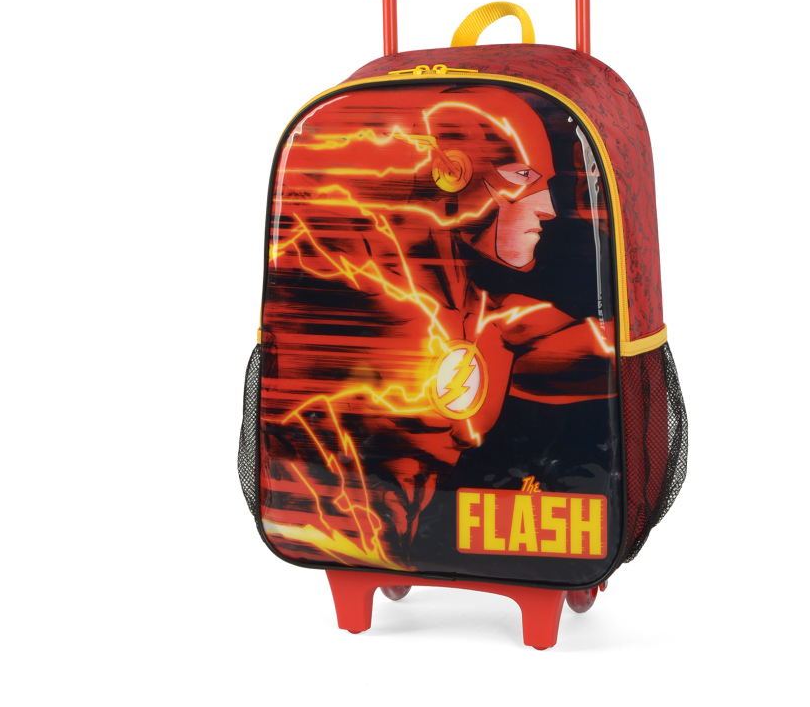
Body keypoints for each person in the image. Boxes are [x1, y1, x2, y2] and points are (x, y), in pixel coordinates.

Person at [261, 86, 615, 568]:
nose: (547, 209)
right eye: (522, 176)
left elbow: (608, 355)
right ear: (455, 176)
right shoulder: (347, 276)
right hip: (327, 530)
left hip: (392, 545)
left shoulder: (496, 323)